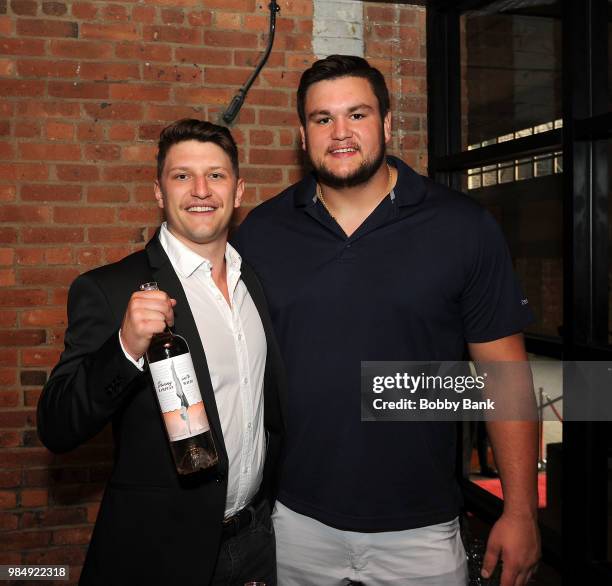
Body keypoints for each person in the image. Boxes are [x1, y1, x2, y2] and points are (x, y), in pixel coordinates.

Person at [233, 55, 540, 586]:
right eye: (323, 118)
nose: (341, 132)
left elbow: (505, 376)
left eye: (358, 114)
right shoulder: (260, 234)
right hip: (295, 523)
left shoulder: (463, 228)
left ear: (387, 123)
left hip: (422, 531)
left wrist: (520, 512)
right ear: (302, 134)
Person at [37, 119, 286, 586]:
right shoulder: (110, 290)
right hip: (160, 552)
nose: (200, 190)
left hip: (254, 542)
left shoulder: (254, 281)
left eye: (216, 175)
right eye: (181, 176)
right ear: (158, 191)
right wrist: (125, 348)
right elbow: (57, 425)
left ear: (238, 192)